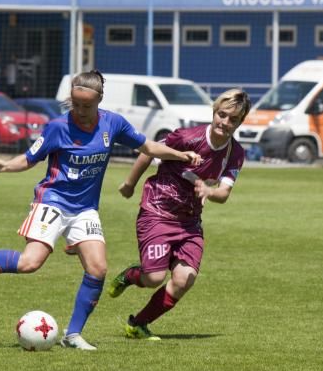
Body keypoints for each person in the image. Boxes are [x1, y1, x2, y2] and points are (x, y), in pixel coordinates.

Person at [0, 69, 202, 350]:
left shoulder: (113, 124)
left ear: (99, 101)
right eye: (76, 104)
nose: (81, 111)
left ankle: (73, 335)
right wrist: (4, 166)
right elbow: (29, 158)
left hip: (84, 209)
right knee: (29, 263)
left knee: (98, 268)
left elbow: (148, 146)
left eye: (87, 106)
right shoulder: (57, 127)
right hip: (52, 201)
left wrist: (181, 155)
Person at [107, 89, 251, 340]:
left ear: (240, 122)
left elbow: (224, 193)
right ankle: (131, 275)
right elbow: (148, 151)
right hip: (157, 212)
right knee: (153, 277)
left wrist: (209, 190)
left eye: (233, 119)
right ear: (214, 112)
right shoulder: (188, 137)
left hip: (189, 222)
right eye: (222, 115)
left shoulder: (235, 153)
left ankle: (137, 324)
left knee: (185, 279)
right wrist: (129, 184)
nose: (225, 123)